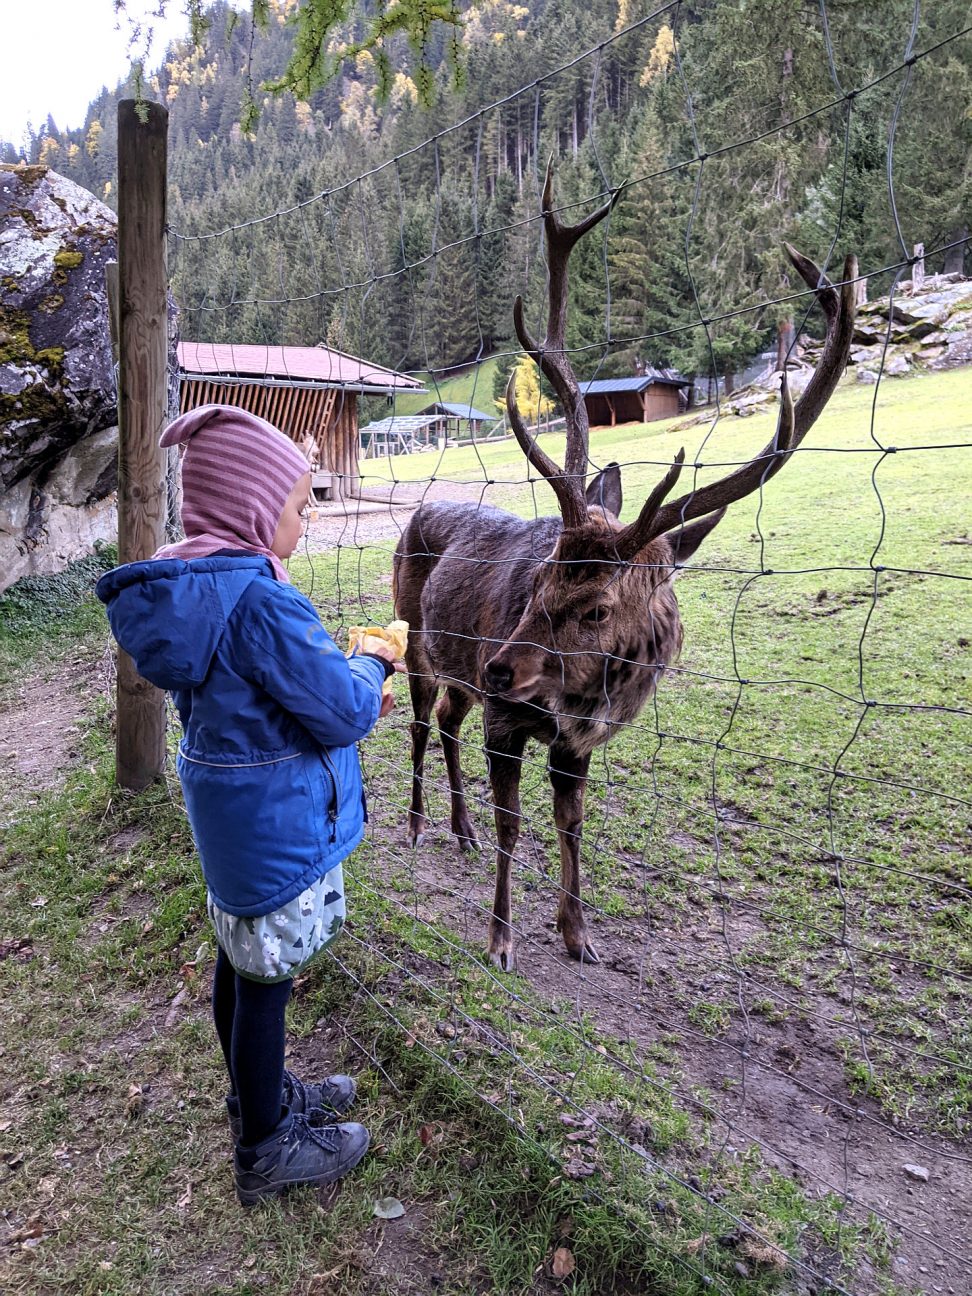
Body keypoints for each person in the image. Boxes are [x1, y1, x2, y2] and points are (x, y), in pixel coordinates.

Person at [96, 404, 399, 1206]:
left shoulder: (198, 591)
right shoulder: (261, 601)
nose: (306, 520)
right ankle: (264, 1149)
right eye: (300, 506)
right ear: (256, 513)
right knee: (266, 981)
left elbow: (256, 695)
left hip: (230, 819)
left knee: (242, 962)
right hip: (273, 823)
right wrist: (373, 665)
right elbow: (337, 709)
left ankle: (253, 1098)